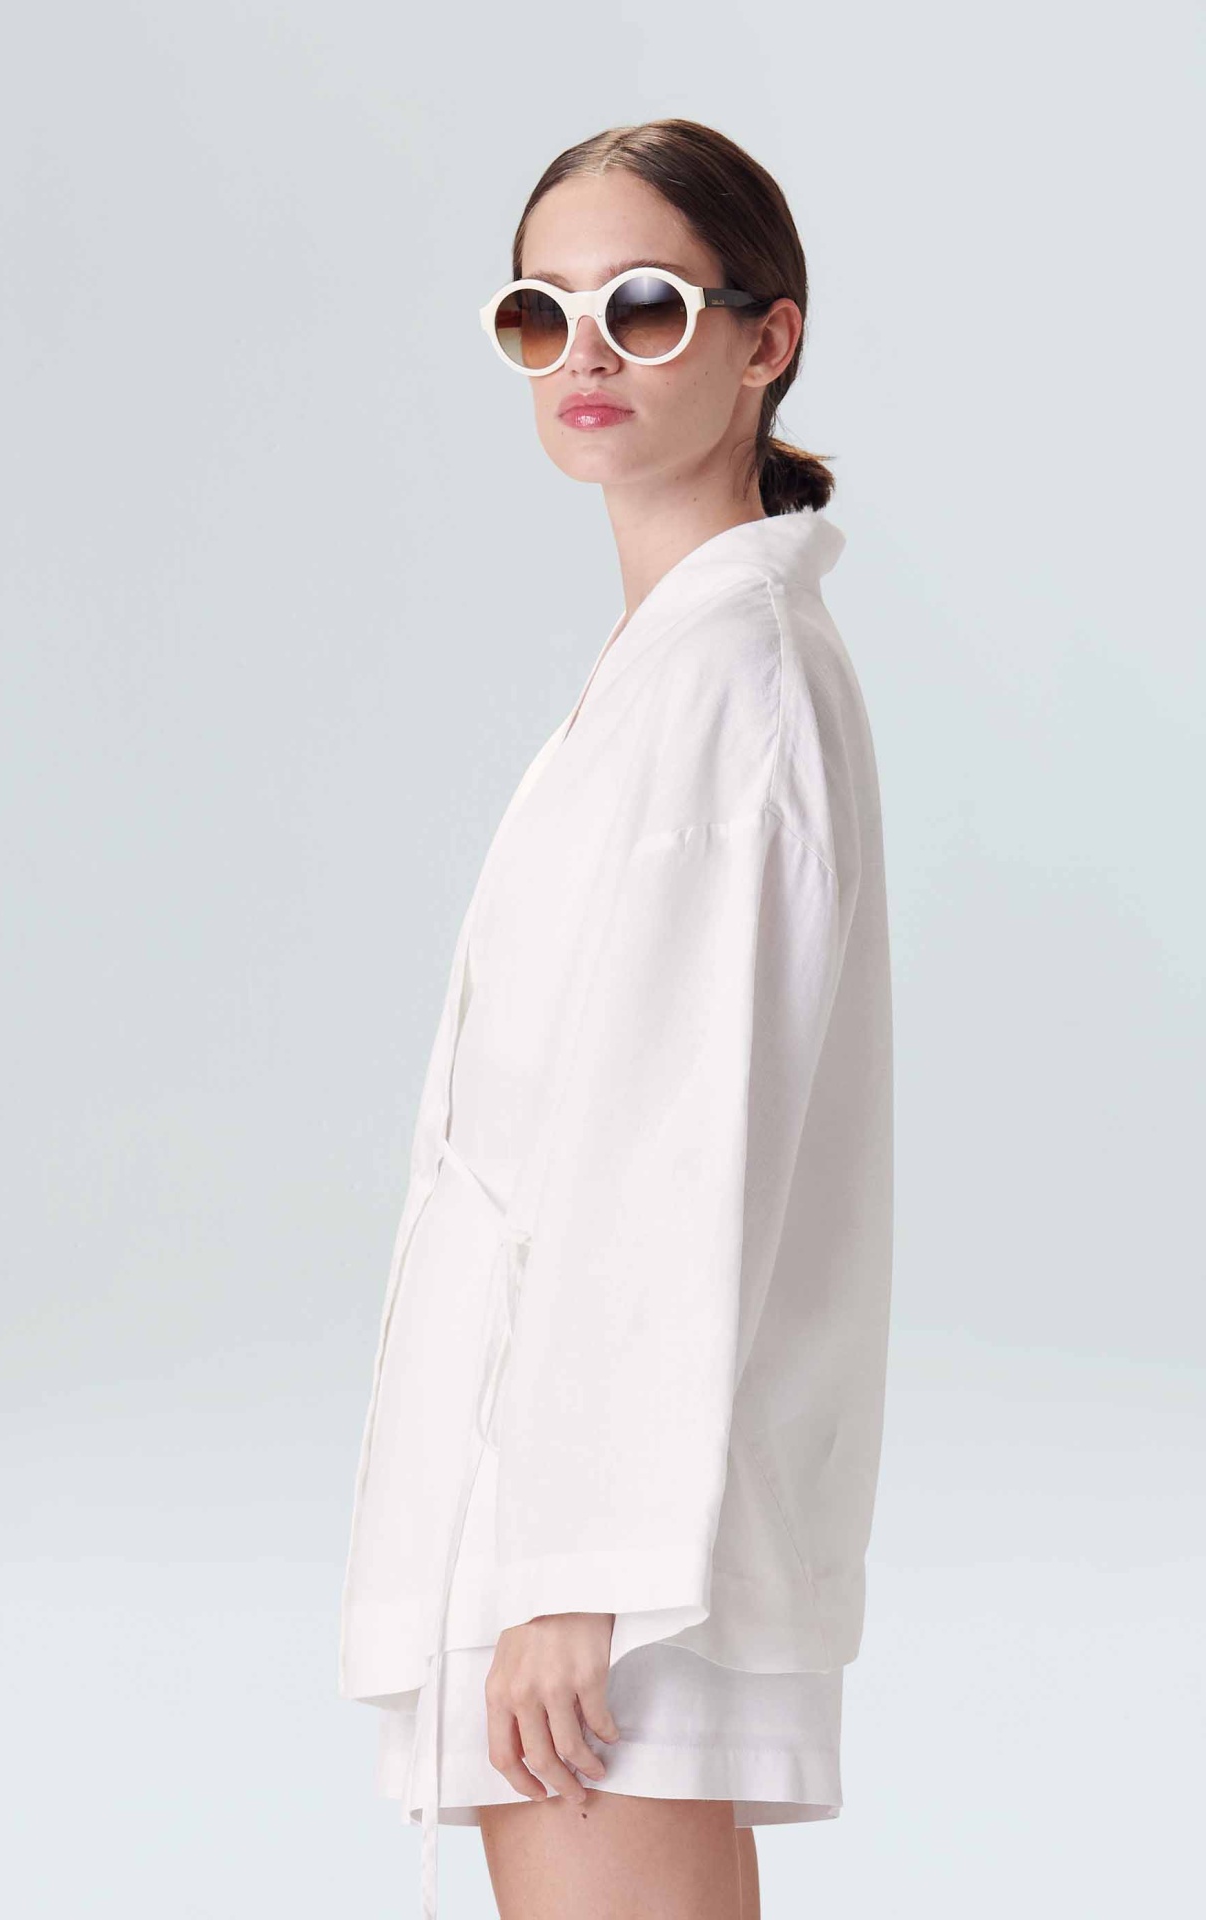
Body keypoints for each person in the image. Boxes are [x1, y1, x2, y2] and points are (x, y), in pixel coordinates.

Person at [337, 117, 893, 1920]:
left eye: (644, 305)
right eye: (541, 312)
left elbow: (672, 1137)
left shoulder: (725, 680)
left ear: (764, 339)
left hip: (597, 1544)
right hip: (582, 1506)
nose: (586, 351)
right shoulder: (682, 667)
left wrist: (571, 1570)